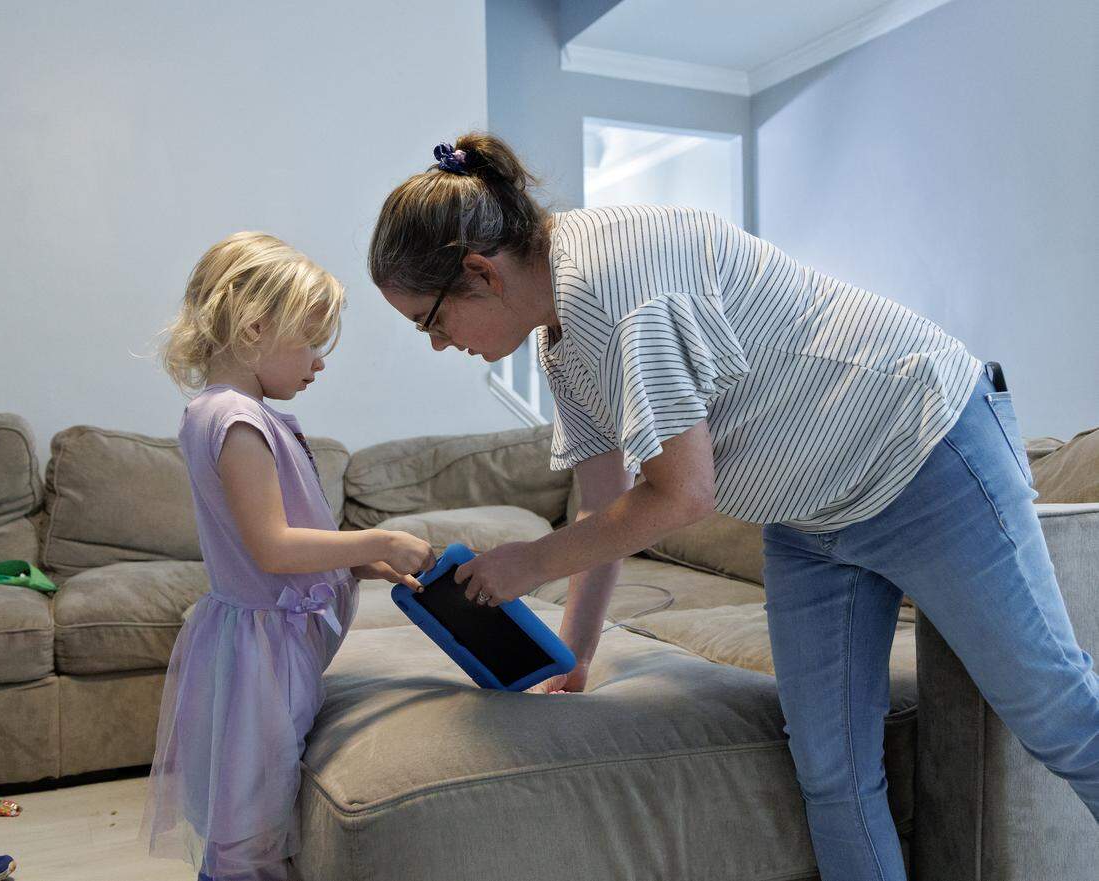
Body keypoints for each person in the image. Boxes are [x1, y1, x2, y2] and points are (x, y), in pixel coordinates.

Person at [368, 134, 1099, 880]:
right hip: (810, 518)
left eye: (429, 322)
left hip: (923, 448)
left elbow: (684, 493)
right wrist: (576, 654)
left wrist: (528, 561)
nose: (436, 344)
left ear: (479, 274)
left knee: (1055, 713)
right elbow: (606, 500)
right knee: (832, 772)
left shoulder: (617, 286)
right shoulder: (560, 342)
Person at [140, 231, 436, 881]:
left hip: (274, 644)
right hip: (262, 654)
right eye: (310, 343)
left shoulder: (234, 413)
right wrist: (378, 540)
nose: (319, 363)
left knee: (259, 803)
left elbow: (273, 542)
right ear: (254, 330)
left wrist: (361, 565)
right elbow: (273, 547)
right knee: (250, 824)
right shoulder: (236, 421)